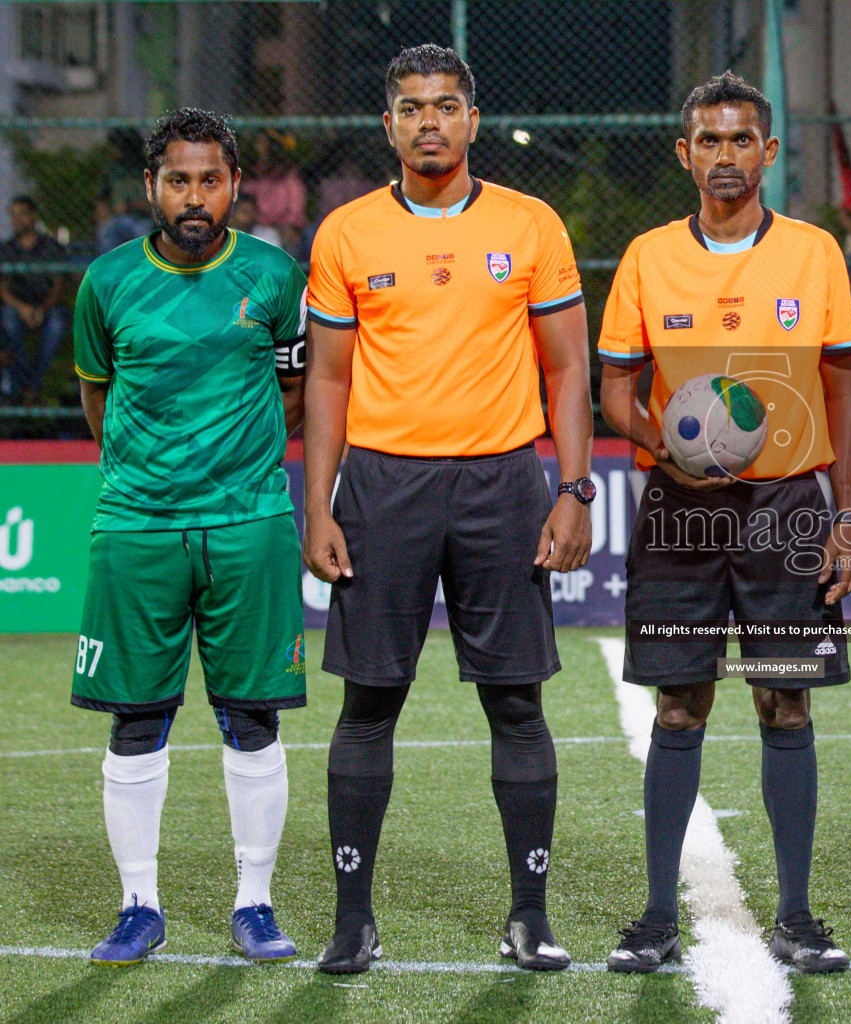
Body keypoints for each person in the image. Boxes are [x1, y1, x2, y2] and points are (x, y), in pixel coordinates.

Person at [303, 44, 593, 974]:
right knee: (369, 702)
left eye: (446, 106)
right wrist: (318, 501)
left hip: (501, 485)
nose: (429, 122)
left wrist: (576, 489)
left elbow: (567, 368)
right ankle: (353, 920)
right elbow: (329, 380)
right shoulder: (346, 232)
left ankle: (530, 917)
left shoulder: (531, 223)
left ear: (472, 118)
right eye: (411, 108)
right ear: (387, 125)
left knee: (517, 702)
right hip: (384, 485)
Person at [597, 70, 851, 976]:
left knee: (783, 704)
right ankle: (657, 917)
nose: (724, 156)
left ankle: (796, 913)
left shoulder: (815, 254)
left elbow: (843, 383)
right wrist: (664, 446)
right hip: (680, 513)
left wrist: (848, 516)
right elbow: (616, 390)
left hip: (788, 509)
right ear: (685, 153)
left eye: (741, 139)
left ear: (768, 151)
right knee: (679, 708)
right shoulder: (646, 258)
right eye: (708, 140)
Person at [69, 108, 309, 966]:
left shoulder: (276, 276)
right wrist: (151, 471)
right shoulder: (104, 282)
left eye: (211, 179)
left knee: (252, 718)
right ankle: (140, 905)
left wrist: (233, 462)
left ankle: (256, 902)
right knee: (137, 720)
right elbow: (99, 401)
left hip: (250, 524)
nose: (195, 196)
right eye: (179, 180)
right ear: (151, 188)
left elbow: (295, 388)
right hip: (137, 528)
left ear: (235, 186)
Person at [0, 196, 70, 398]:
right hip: (19, 306)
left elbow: (59, 285)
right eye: (13, 215)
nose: (16, 220)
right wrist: (23, 308)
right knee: (8, 319)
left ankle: (33, 384)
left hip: (48, 305)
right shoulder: (8, 249)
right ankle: (22, 384)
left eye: (21, 214)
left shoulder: (50, 246)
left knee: (57, 323)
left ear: (32, 216)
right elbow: (3, 289)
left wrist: (42, 309)